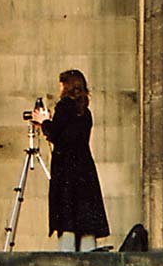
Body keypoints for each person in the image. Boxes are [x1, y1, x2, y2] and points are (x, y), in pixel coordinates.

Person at [32, 69, 110, 251]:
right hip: (85, 169)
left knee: (67, 218)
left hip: (67, 170)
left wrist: (44, 122)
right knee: (86, 222)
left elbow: (59, 136)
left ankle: (66, 256)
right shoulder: (85, 112)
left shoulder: (64, 106)